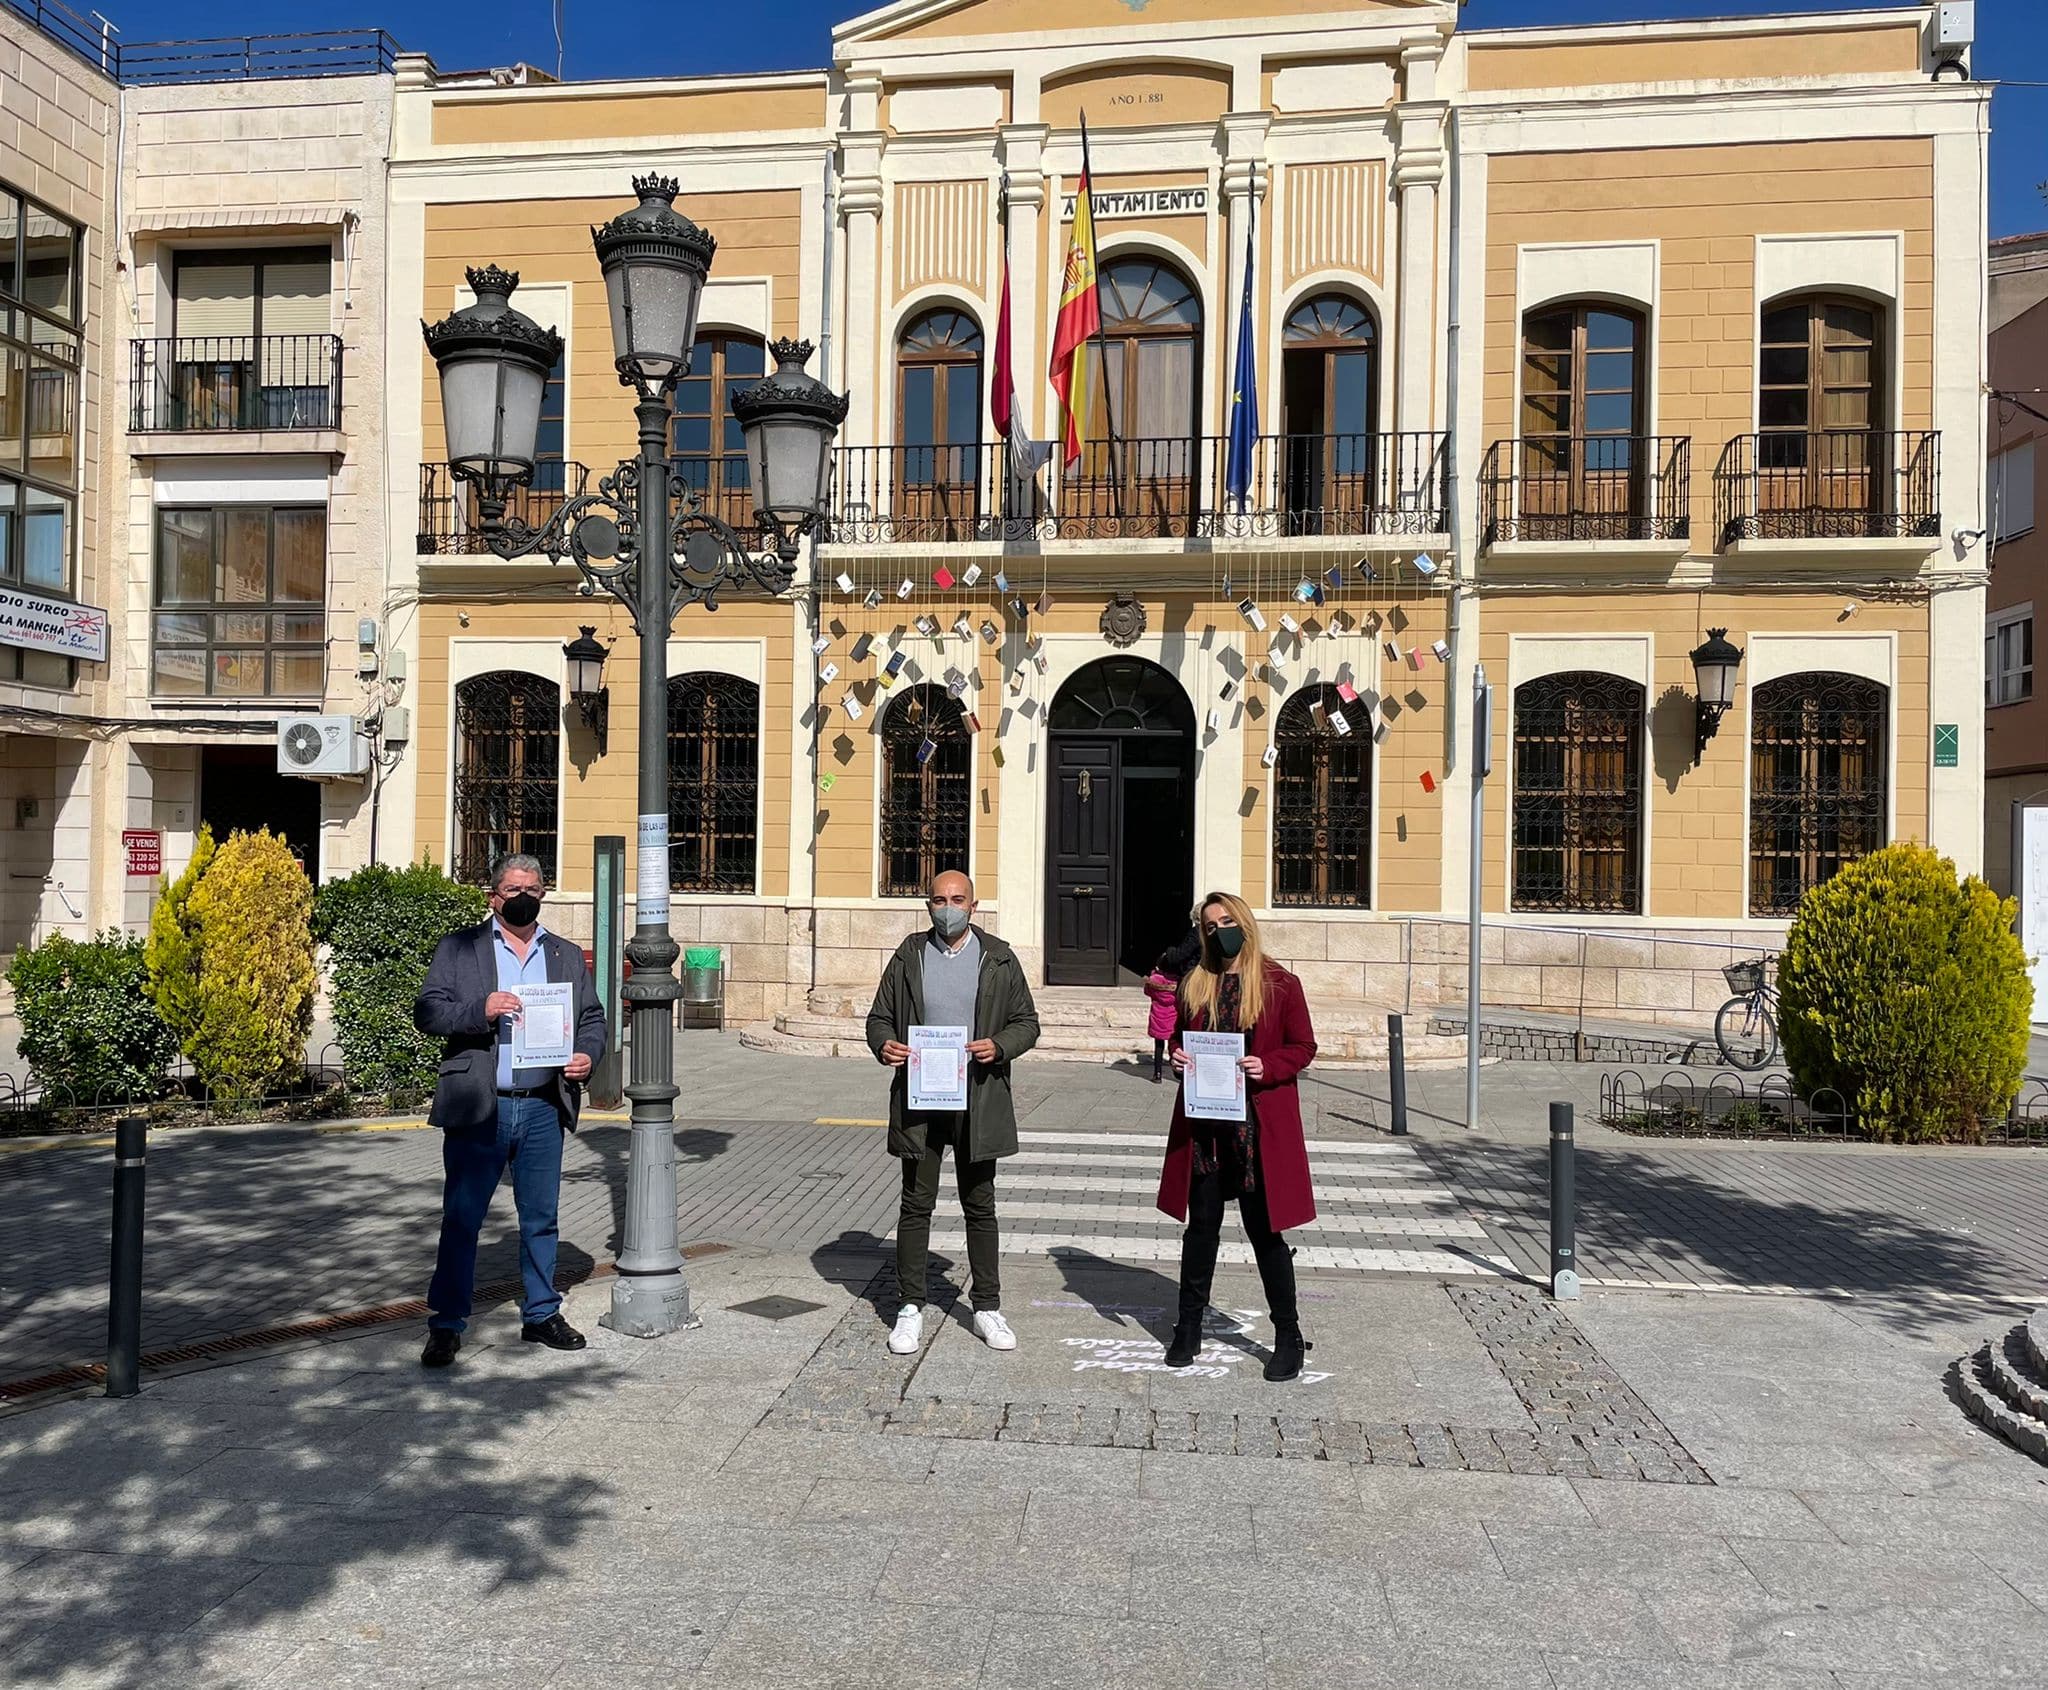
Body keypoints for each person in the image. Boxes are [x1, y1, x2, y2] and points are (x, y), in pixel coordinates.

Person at [413, 852, 607, 1368]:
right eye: (513, 889)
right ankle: (447, 1325)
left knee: (541, 1219)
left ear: (543, 894)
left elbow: (591, 1017)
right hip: (482, 1105)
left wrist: (588, 1054)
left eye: (534, 888)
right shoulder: (460, 948)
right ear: (493, 896)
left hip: (543, 1105)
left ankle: (541, 1313)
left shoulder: (564, 954)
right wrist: (482, 1010)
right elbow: (428, 1011)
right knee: (462, 1219)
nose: (524, 897)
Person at [866, 869, 1040, 1355]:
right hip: (921, 1098)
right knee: (915, 1204)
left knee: (979, 1205)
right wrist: (885, 1045)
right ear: (927, 906)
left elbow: (1027, 1022)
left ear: (974, 905)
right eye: (939, 899)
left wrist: (999, 1046)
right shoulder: (908, 956)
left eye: (957, 899)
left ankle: (986, 1305)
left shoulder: (999, 958)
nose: (948, 908)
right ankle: (909, 1307)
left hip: (979, 1096)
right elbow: (879, 1017)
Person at [1155, 891, 1320, 1382]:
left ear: (1244, 923)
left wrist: (1268, 1065)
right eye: (1209, 925)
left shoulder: (1279, 983)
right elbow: (1180, 1036)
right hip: (1205, 1124)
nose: (1218, 930)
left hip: (1257, 1127)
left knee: (1265, 1231)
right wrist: (1177, 1053)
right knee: (1201, 1229)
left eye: (1226, 921)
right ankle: (1188, 1327)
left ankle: (1287, 1334)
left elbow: (1303, 1045)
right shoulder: (1196, 982)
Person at [1143, 924, 1205, 1083]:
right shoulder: (1176, 986)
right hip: (1171, 1020)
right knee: (1175, 1042)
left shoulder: (1155, 981)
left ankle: (1157, 1074)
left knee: (1159, 1045)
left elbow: (1147, 991)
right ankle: (1177, 1067)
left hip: (1157, 1019)